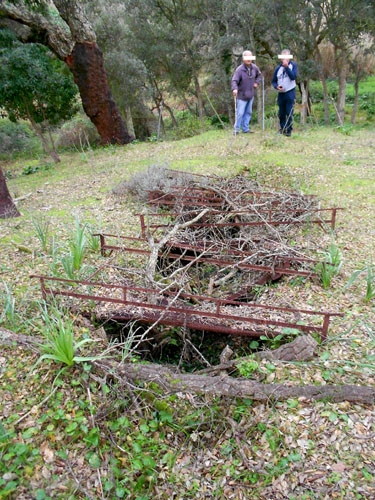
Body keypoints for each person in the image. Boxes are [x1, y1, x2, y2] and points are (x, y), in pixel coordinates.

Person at [231, 50, 261, 134]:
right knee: (240, 113)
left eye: (250, 57)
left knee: (248, 112)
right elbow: (234, 80)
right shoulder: (239, 70)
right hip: (241, 96)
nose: (249, 59)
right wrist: (235, 89)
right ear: (243, 59)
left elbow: (259, 75)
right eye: (247, 57)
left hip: (250, 95)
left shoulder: (254, 67)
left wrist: (257, 83)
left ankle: (245, 129)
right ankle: (236, 130)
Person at [272, 49, 298, 136]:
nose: (284, 59)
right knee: (281, 113)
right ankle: (282, 128)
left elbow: (293, 76)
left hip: (290, 92)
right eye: (283, 57)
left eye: (286, 57)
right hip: (281, 93)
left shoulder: (293, 65)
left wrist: (286, 67)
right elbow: (274, 81)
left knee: (289, 112)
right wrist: (276, 86)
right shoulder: (278, 68)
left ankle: (289, 130)